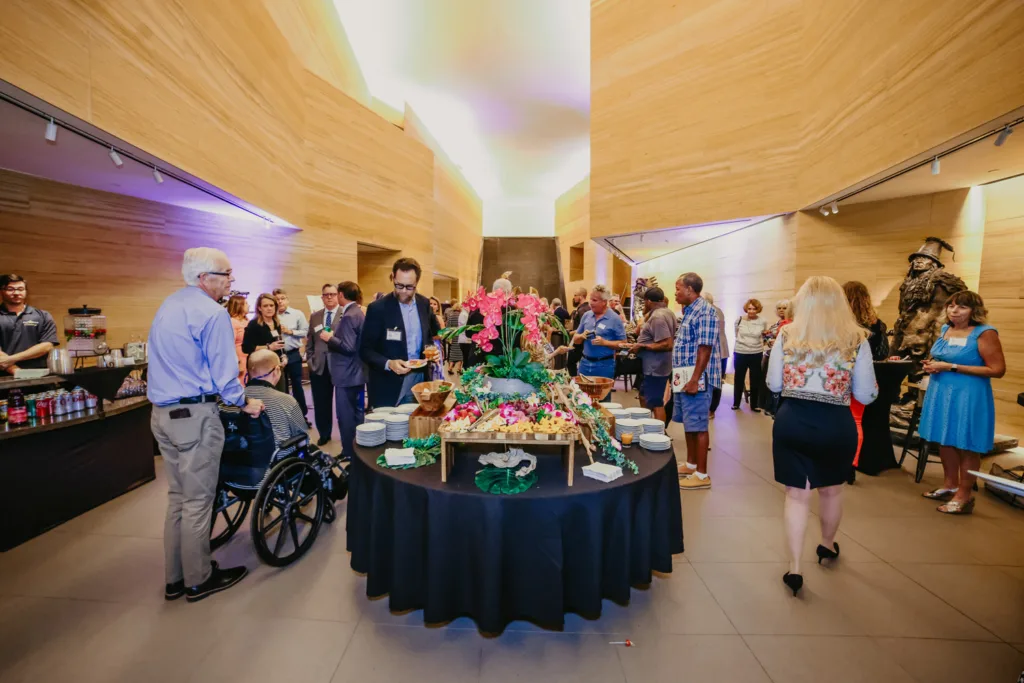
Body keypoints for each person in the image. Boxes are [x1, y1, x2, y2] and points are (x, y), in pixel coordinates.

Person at [147, 247, 261, 602]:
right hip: (194, 416)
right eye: (226, 274)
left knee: (178, 498)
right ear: (204, 278)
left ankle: (175, 578)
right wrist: (245, 403)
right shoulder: (212, 314)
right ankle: (199, 579)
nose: (231, 281)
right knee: (198, 501)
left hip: (162, 415)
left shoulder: (168, 305)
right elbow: (225, 376)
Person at [766, 275, 878, 596]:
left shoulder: (787, 334)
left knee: (796, 495)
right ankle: (827, 545)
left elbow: (774, 384)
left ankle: (794, 568)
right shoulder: (857, 338)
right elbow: (866, 394)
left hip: (793, 420)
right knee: (831, 491)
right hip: (835, 423)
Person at [918, 291, 1006, 515]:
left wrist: (952, 367)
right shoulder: (946, 329)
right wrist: (933, 364)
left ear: (974, 311)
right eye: (951, 306)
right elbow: (946, 358)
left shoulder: (984, 333)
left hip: (968, 394)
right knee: (945, 439)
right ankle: (950, 485)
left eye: (962, 307)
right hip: (941, 391)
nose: (954, 311)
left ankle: (964, 495)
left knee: (967, 443)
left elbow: (997, 370)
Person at [360, 257, 442, 408]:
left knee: (417, 421)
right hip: (388, 384)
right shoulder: (378, 309)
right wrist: (389, 363)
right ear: (393, 278)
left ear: (417, 282)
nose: (403, 291)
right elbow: (365, 350)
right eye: (399, 285)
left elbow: (428, 336)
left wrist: (432, 352)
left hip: (419, 379)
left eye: (409, 287)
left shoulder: (424, 304)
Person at [672, 273, 721, 490]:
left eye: (678, 288)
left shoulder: (705, 312)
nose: (675, 293)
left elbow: (705, 348)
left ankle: (702, 475)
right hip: (684, 376)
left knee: (699, 425)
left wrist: (695, 379)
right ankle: (691, 464)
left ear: (690, 290)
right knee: (690, 422)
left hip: (697, 379)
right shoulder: (690, 310)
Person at [624, 287, 677, 422]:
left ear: (648, 301)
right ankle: (647, 424)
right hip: (654, 366)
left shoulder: (658, 317)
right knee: (644, 396)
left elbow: (667, 344)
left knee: (656, 402)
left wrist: (642, 346)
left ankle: (659, 431)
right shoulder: (666, 312)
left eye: (644, 301)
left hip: (656, 367)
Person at [327, 281, 366, 460]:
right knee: (357, 413)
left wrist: (330, 338)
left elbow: (348, 347)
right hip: (356, 373)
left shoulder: (349, 315)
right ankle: (359, 449)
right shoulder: (358, 312)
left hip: (346, 374)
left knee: (346, 416)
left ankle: (349, 452)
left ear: (341, 295)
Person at [244, 350, 309, 456]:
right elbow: (303, 437)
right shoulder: (287, 400)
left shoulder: (237, 400)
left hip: (243, 461)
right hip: (280, 461)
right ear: (276, 370)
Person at [571, 284, 626, 393]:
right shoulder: (586, 316)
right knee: (581, 398)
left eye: (594, 300)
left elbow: (623, 343)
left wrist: (605, 342)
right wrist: (581, 336)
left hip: (604, 366)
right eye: (590, 299)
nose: (590, 303)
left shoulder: (615, 319)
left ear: (604, 302)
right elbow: (576, 339)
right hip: (584, 364)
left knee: (602, 399)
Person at [0, 274, 59, 374]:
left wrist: (11, 359)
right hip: (4, 377)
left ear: (26, 291)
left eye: (20, 289)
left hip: (39, 375)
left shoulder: (43, 315)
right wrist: (16, 371)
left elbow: (47, 345)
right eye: (10, 289)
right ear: (1, 291)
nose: (16, 293)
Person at [306, 284, 341, 446]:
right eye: (326, 295)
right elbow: (310, 341)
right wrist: (310, 359)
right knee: (321, 403)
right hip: (319, 366)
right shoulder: (315, 316)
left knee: (343, 405)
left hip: (340, 366)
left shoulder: (345, 315)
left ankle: (346, 436)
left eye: (332, 294)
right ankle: (324, 433)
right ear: (322, 297)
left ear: (338, 295)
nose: (329, 297)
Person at [273, 288, 309, 421]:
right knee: (281, 387)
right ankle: (285, 416)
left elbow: (306, 331)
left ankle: (302, 415)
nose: (280, 301)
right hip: (276, 356)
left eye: (282, 298)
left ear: (287, 299)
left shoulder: (297, 314)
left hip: (293, 354)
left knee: (297, 385)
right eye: (277, 299)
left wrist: (290, 332)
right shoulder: (271, 315)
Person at [242, 293, 287, 391]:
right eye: (265, 306)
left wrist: (284, 356)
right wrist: (269, 347)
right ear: (259, 308)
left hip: (276, 366)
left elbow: (279, 344)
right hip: (260, 369)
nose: (269, 308)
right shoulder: (253, 324)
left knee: (280, 395)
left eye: (271, 305)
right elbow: (246, 347)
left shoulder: (276, 323)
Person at [733, 298, 769, 412]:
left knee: (755, 379)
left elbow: (764, 336)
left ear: (758, 309)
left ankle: (754, 404)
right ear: (746, 309)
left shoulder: (762, 321)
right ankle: (736, 403)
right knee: (739, 378)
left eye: (754, 309)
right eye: (749, 308)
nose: (751, 311)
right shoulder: (739, 320)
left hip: (756, 352)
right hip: (740, 352)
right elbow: (736, 334)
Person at [759, 299, 792, 415]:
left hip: (783, 357)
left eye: (784, 308)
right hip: (770, 355)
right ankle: (768, 407)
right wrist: (769, 341)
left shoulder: (792, 324)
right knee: (769, 381)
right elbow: (766, 336)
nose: (782, 310)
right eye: (779, 308)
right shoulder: (776, 324)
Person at [842, 282, 888, 360]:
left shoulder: (839, 324)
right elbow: (883, 354)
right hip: (871, 365)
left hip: (844, 366)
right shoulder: (877, 324)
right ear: (866, 299)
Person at [704, 293, 729, 418]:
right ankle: (710, 409)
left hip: (715, 351)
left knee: (714, 382)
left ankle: (711, 409)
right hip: (720, 350)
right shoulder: (718, 310)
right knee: (715, 381)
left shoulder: (710, 311)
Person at [567, 286, 590, 376]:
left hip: (579, 342)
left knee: (570, 362)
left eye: (575, 295)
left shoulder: (582, 310)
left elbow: (583, 327)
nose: (574, 297)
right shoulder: (585, 308)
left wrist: (571, 333)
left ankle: (574, 381)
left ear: (580, 297)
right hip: (582, 342)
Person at [226, 294, 249, 382]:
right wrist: (237, 362)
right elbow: (229, 344)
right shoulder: (232, 322)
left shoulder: (247, 321)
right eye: (246, 303)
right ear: (239, 306)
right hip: (240, 359)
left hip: (248, 358)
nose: (249, 305)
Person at [444, 302, 463, 374]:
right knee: (460, 353)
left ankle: (450, 368)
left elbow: (448, 327)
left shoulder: (450, 315)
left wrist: (449, 337)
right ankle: (459, 369)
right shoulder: (461, 315)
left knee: (452, 353)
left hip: (453, 335)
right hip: (460, 335)